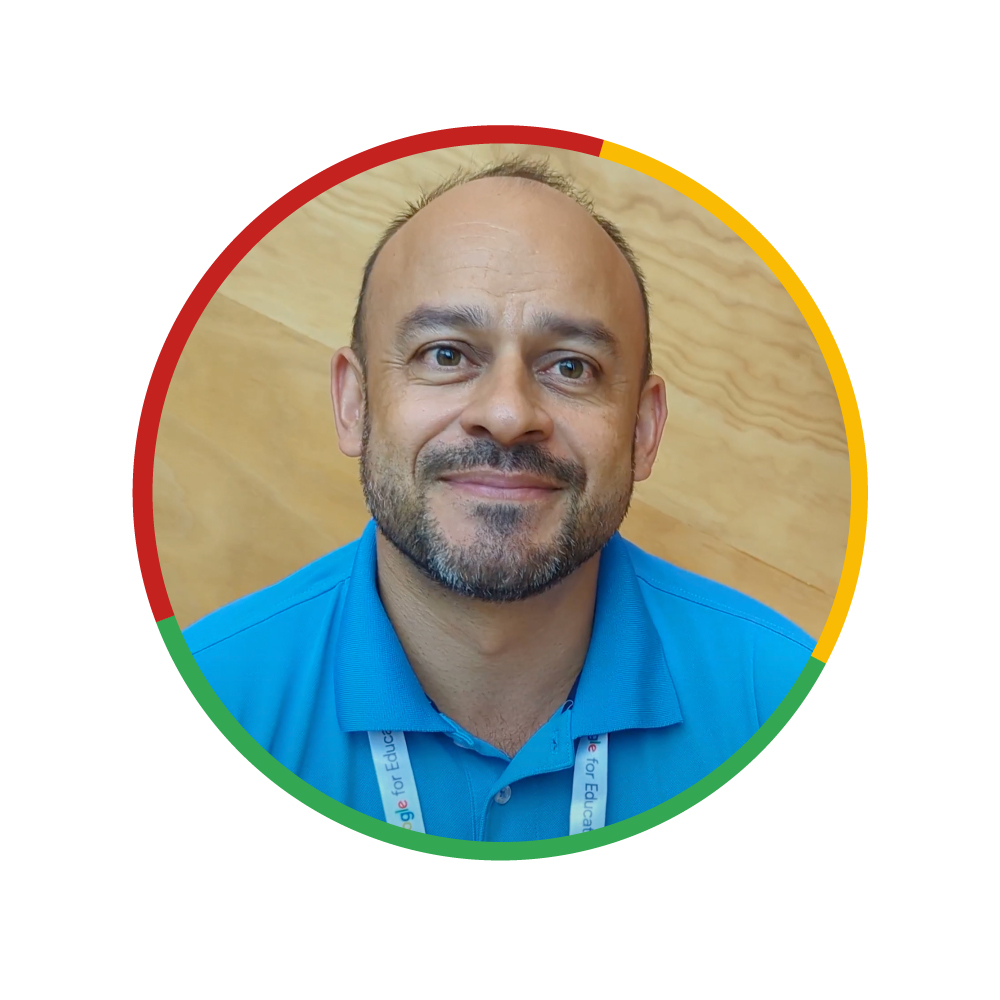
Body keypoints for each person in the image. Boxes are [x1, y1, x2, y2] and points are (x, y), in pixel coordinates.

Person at [184, 158, 814, 842]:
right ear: (353, 402)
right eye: (446, 355)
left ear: (642, 429)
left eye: (571, 366)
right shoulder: (204, 703)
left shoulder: (781, 703)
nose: (509, 414)